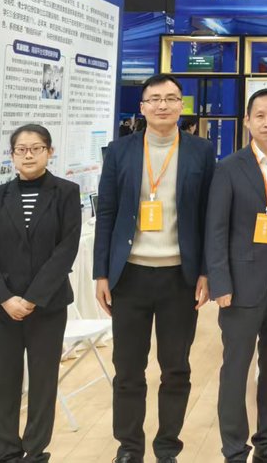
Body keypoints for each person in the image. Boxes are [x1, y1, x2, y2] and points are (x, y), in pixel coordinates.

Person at [93, 73, 216, 463]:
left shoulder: (201, 151)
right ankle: (129, 447)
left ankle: (167, 448)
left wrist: (206, 271)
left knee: (175, 368)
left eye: (171, 98)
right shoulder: (119, 151)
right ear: (142, 106)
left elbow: (209, 216)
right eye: (155, 99)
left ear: (182, 105)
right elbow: (107, 213)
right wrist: (101, 273)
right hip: (129, 275)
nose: (163, 105)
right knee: (128, 369)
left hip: (179, 277)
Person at [0, 123, 82, 463]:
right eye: (21, 149)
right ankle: (6, 452)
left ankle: (35, 452)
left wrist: (32, 298)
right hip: (2, 307)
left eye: (36, 148)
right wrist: (5, 298)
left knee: (43, 382)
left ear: (50, 152)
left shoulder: (66, 192)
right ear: (12, 155)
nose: (29, 155)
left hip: (46, 305)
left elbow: (66, 250)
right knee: (3, 383)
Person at [207, 88, 267, 463]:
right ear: (247, 120)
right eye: (260, 115)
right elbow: (216, 229)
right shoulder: (229, 167)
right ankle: (234, 449)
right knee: (236, 370)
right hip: (240, 286)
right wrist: (220, 283)